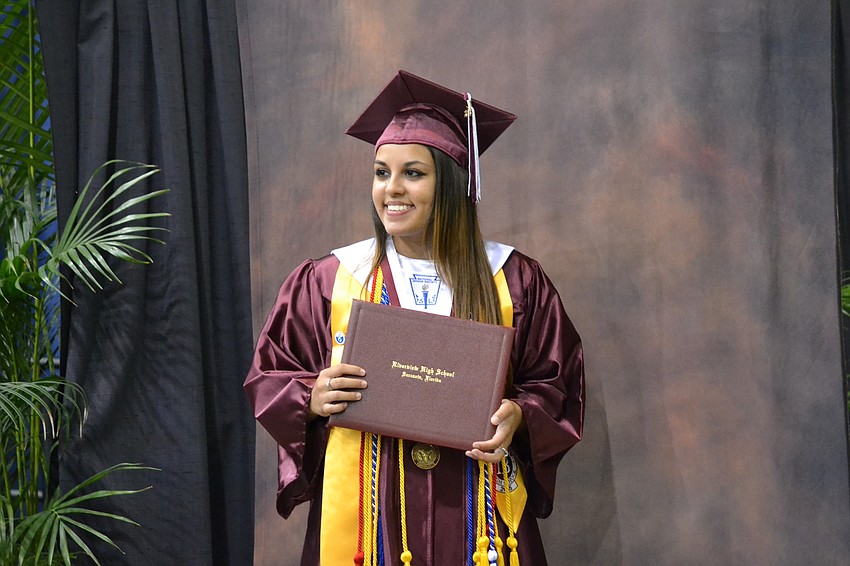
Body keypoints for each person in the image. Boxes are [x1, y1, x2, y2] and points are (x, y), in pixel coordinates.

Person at [244, 70, 584, 566]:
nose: (391, 189)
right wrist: (310, 397)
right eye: (381, 172)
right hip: (368, 515)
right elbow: (269, 375)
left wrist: (520, 415)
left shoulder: (513, 280)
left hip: (477, 512)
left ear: (451, 184)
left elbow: (555, 381)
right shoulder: (331, 279)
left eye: (413, 173)